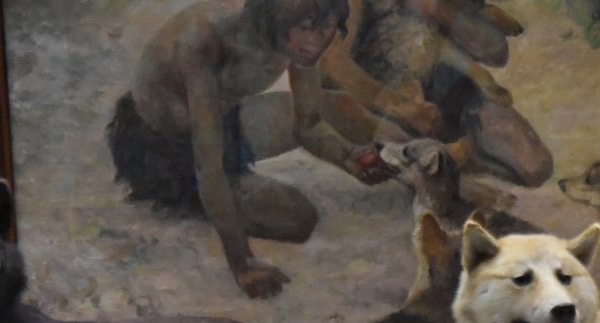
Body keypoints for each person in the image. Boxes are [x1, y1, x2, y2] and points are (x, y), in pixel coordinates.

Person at [106, 0, 410, 299]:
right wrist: (242, 262)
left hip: (227, 123)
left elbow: (309, 125)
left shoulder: (299, 33)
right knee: (297, 218)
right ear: (277, 20)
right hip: (165, 151)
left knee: (338, 107)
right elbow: (208, 166)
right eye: (307, 27)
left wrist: (349, 158)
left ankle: (417, 160)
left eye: (327, 26)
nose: (318, 39)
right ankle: (191, 201)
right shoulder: (205, 37)